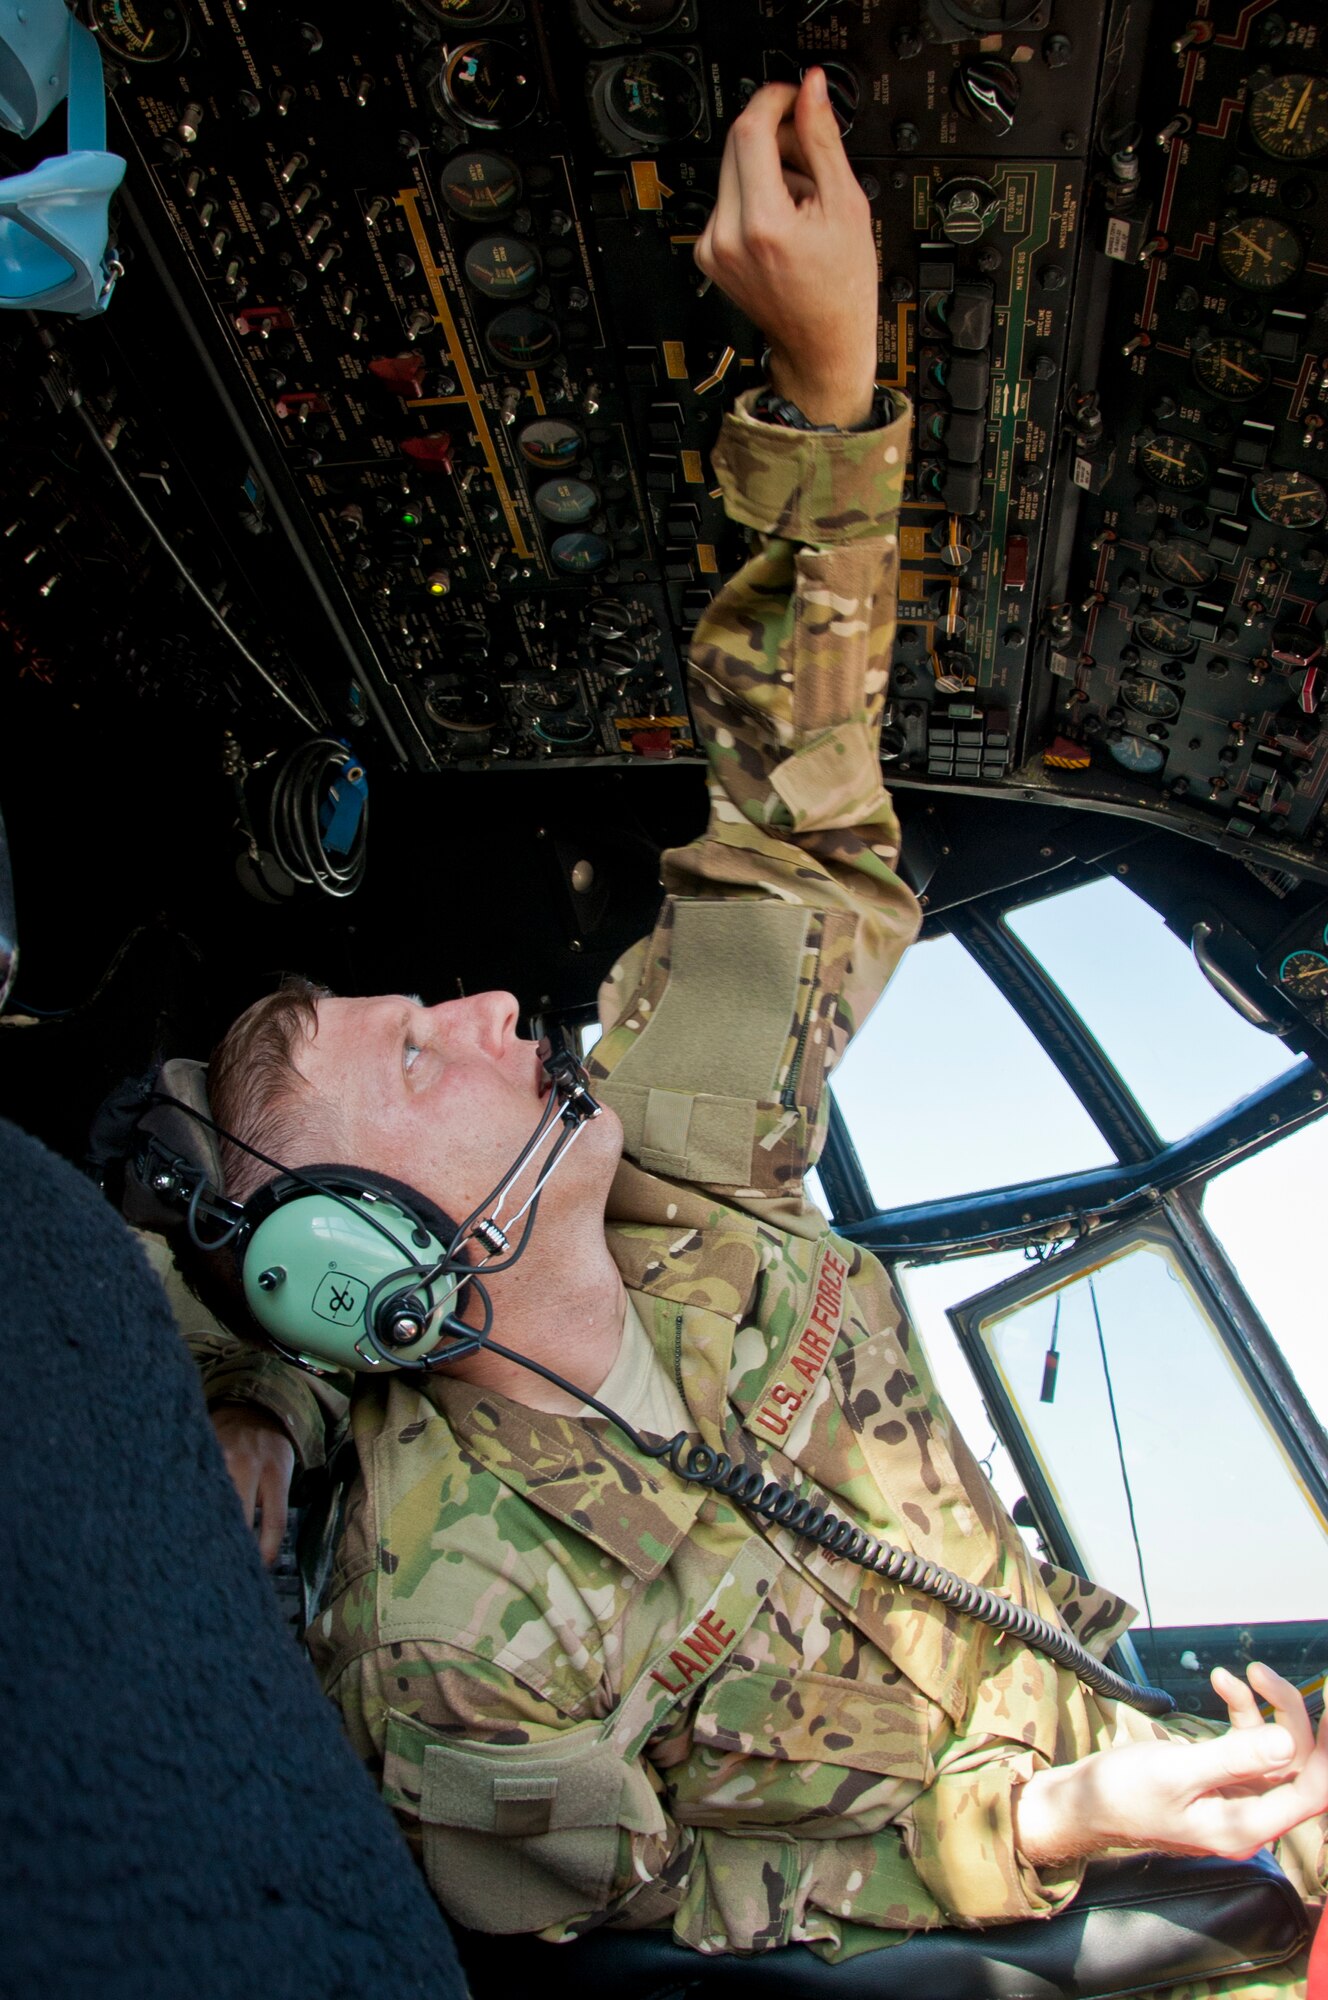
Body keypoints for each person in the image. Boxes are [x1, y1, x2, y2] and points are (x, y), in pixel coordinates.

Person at [188, 70, 1327, 1979]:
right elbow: (690, 1913)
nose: (484, 1007)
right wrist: (1055, 1825)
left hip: (1114, 1730)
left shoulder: (685, 1163)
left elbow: (792, 825)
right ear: (374, 1265)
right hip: (1016, 1901)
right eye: (412, 1053)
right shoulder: (450, 1645)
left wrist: (827, 396)